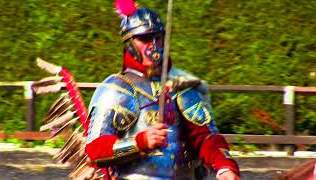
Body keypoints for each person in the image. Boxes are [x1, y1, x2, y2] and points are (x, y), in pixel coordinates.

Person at [85, 0, 240, 179]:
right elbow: (95, 150)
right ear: (129, 43)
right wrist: (139, 142)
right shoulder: (116, 88)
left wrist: (225, 166)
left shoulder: (181, 85)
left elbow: (205, 137)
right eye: (144, 38)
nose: (153, 45)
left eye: (157, 38)